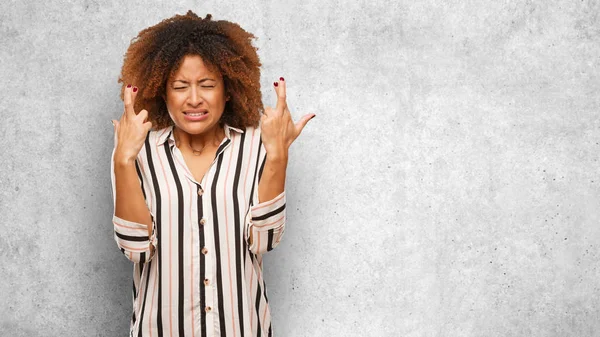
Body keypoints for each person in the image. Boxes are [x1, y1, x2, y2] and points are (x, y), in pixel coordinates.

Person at [110, 10, 314, 337]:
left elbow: (264, 240)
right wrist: (123, 161)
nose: (194, 99)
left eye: (207, 84)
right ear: (163, 91)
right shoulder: (138, 152)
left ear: (228, 89)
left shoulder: (255, 147)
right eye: (180, 86)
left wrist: (278, 155)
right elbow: (136, 248)